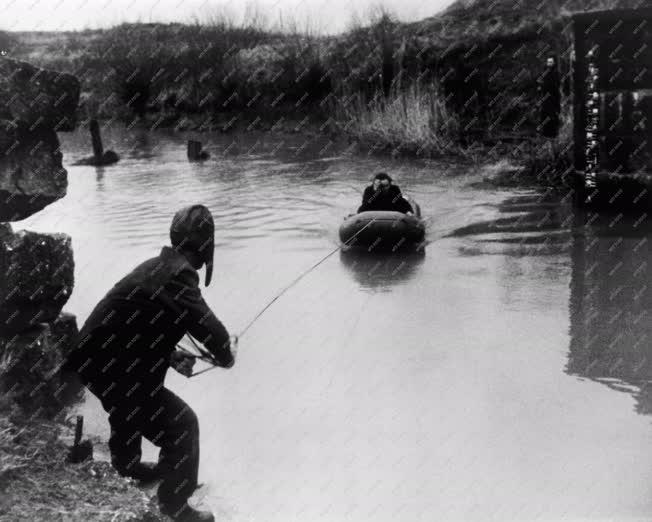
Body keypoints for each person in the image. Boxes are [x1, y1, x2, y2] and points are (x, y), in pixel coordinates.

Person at [63, 204, 236, 522]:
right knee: (183, 425)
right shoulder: (180, 276)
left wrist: (168, 355)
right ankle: (174, 505)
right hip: (111, 366)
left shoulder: (156, 266)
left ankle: (127, 467)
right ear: (205, 246)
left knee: (133, 396)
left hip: (93, 360)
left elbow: (132, 323)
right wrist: (227, 353)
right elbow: (215, 337)